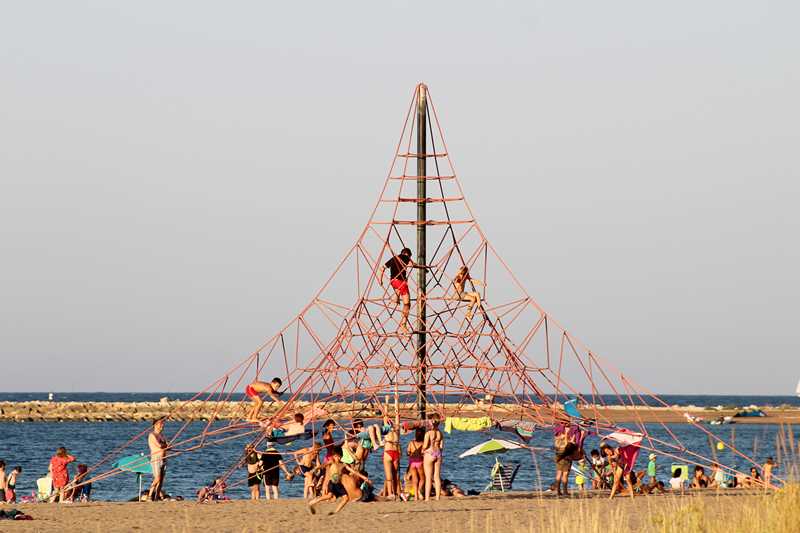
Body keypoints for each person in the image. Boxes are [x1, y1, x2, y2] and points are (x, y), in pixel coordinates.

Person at [307, 446, 372, 515]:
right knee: (329, 496)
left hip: (338, 484)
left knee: (345, 498)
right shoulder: (332, 462)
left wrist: (364, 478)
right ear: (334, 456)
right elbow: (323, 465)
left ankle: (334, 512)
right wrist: (314, 469)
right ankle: (312, 502)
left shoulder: (343, 464)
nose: (339, 458)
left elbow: (354, 471)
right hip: (332, 482)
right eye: (337, 457)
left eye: (340, 457)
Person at [379, 247, 426, 333]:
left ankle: (396, 298)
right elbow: (412, 265)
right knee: (407, 304)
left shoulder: (394, 258)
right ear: (408, 254)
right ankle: (403, 325)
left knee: (399, 289)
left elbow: (382, 268)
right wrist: (423, 268)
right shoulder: (406, 257)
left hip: (393, 282)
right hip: (401, 283)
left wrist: (380, 280)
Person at [422, 413, 444, 501]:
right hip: (438, 453)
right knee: (437, 477)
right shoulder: (440, 433)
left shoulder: (428, 433)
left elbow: (424, 446)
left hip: (430, 453)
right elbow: (442, 446)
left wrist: (423, 451)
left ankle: (427, 498)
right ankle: (438, 497)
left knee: (428, 477)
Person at [147, 418, 168, 502]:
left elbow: (168, 445)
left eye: (162, 424)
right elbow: (159, 445)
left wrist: (166, 445)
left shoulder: (162, 435)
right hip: (156, 459)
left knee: (161, 481)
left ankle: (156, 497)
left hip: (164, 459)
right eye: (160, 424)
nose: (162, 425)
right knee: (157, 478)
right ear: (155, 425)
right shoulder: (152, 435)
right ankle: (149, 495)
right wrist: (165, 445)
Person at [382, 421, 400, 499]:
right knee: (392, 475)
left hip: (391, 453)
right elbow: (396, 421)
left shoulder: (392, 431)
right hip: (392, 453)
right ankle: (392, 493)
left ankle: (392, 493)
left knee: (391, 475)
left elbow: (395, 420)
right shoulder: (393, 431)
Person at [406, 428, 426, 500]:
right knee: (422, 478)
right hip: (420, 462)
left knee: (415, 479)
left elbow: (408, 452)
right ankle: (418, 491)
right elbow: (424, 453)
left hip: (412, 462)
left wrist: (411, 453)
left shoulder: (411, 443)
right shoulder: (423, 443)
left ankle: (416, 497)